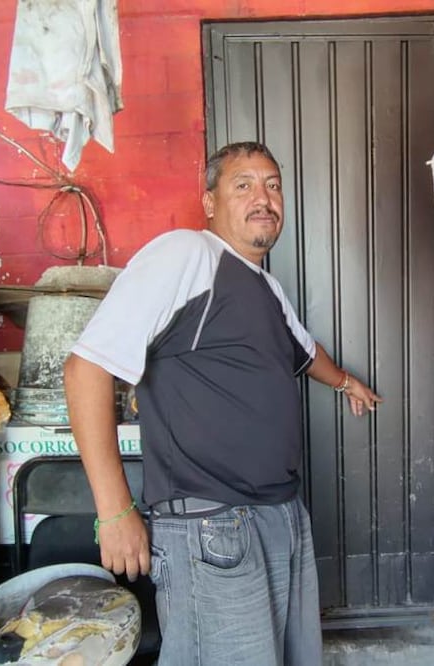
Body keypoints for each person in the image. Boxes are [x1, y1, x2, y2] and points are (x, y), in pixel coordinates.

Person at [63, 141, 382, 665]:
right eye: (244, 185)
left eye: (273, 185)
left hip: (279, 517)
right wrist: (115, 511)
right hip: (211, 526)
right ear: (209, 202)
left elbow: (305, 353)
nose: (264, 198)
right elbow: (86, 369)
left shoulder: (265, 288)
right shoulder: (187, 255)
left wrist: (346, 382)